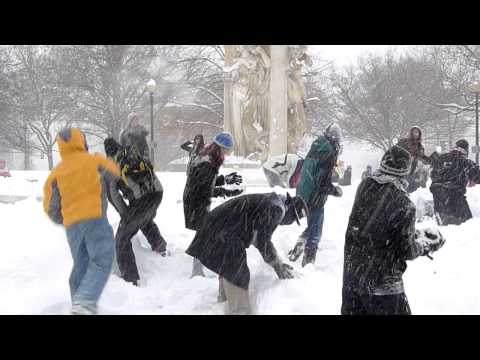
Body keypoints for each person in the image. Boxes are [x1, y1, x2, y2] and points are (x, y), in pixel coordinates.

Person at [342, 145, 445, 315]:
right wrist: (425, 245)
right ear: (405, 171)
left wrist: (412, 233)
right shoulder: (404, 204)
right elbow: (407, 250)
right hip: (384, 288)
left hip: (353, 280)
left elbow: (374, 228)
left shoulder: (365, 187)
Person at [186, 192, 308, 315]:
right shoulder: (277, 209)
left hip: (215, 229)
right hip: (222, 233)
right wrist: (277, 264)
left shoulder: (271, 201)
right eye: (294, 218)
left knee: (229, 265)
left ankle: (225, 303)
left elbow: (258, 234)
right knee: (237, 271)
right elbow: (262, 240)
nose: (290, 222)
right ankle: (239, 311)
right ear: (291, 210)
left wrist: (275, 260)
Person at [43, 128, 121, 315]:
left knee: (81, 264)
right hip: (94, 219)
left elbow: (50, 206)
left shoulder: (56, 173)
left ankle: (79, 305)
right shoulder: (93, 161)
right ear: (81, 141)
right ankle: (84, 302)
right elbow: (115, 172)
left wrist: (66, 218)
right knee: (102, 259)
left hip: (72, 226)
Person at [104, 137, 167, 286]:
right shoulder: (131, 152)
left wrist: (126, 215)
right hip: (157, 193)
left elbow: (113, 196)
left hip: (142, 200)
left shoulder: (111, 166)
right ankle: (161, 248)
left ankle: (130, 279)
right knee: (143, 220)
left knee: (122, 238)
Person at [183, 131, 244, 277]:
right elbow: (204, 189)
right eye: (227, 150)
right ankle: (197, 271)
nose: (228, 154)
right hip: (196, 201)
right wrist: (226, 192)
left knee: (203, 232)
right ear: (221, 148)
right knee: (203, 232)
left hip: (196, 199)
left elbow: (207, 181)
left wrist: (225, 180)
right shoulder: (208, 163)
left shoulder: (208, 158)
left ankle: (199, 269)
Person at [287, 123, 343, 267]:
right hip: (314, 197)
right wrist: (335, 191)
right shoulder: (329, 152)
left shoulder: (317, 146)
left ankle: (297, 249)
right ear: (336, 140)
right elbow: (322, 183)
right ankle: (308, 263)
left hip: (303, 192)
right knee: (316, 231)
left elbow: (312, 173)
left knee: (313, 226)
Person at [430, 139, 480, 226]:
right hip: (455, 198)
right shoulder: (464, 161)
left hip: (438, 198)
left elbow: (433, 174)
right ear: (466, 150)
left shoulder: (441, 158)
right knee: (468, 225)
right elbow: (477, 174)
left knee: (445, 229)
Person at [397, 126, 434, 193]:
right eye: (414, 132)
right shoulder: (404, 142)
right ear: (411, 133)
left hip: (414, 169)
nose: (416, 134)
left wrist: (431, 159)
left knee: (414, 188)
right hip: (404, 168)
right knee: (405, 186)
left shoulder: (420, 146)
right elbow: (396, 150)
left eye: (418, 132)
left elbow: (422, 157)